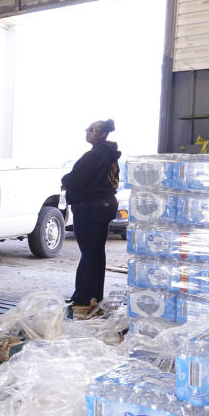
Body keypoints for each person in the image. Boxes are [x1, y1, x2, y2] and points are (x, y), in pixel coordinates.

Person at [61, 119, 121, 320]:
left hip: (90, 208)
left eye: (91, 130)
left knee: (88, 253)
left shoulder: (95, 155)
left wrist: (65, 180)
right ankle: (95, 294)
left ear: (102, 134)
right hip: (102, 206)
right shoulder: (108, 155)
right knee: (96, 252)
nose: (87, 132)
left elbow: (76, 180)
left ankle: (83, 298)